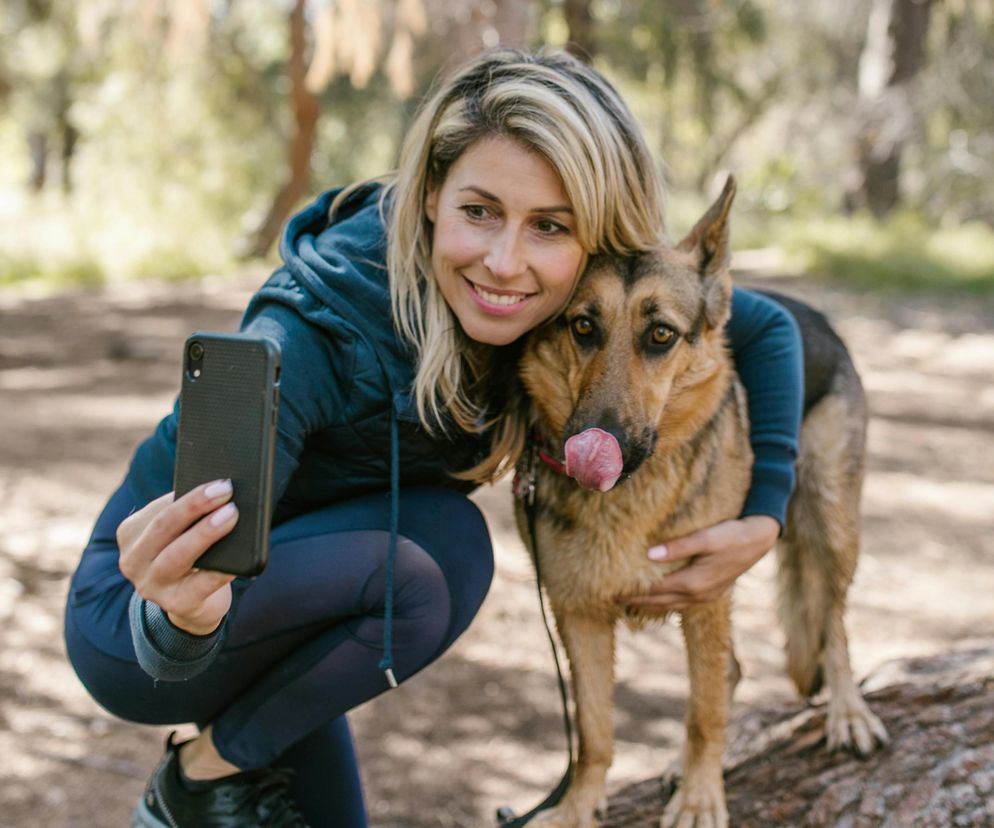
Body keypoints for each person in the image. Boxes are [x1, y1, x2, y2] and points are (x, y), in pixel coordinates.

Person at [64, 48, 802, 828]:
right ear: (428, 196)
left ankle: (219, 773)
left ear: (594, 239)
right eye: (479, 211)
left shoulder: (585, 293)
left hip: (302, 603)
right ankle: (199, 778)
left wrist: (765, 515)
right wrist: (177, 619)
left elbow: (770, 327)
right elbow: (187, 576)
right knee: (443, 552)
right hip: (148, 628)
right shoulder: (308, 340)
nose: (505, 261)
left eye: (549, 225)